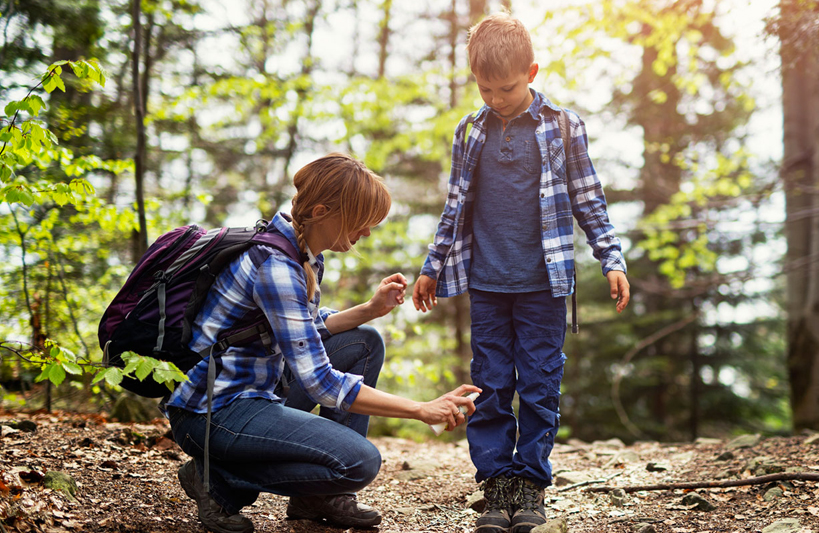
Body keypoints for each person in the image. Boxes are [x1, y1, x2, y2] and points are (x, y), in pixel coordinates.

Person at [165, 153, 480, 533]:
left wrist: (369, 309)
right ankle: (217, 482)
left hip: (257, 391)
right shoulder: (276, 265)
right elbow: (321, 382)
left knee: (364, 343)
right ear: (322, 211)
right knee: (358, 463)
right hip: (213, 411)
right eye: (362, 222)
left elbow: (308, 328)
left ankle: (317, 498)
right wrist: (421, 409)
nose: (367, 232)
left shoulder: (301, 253)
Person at [412, 12, 631, 533]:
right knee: (489, 384)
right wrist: (431, 267)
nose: (495, 97)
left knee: (538, 383)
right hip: (486, 285)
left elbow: (588, 198)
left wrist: (611, 258)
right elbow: (455, 206)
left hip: (544, 286)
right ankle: (496, 483)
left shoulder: (561, 126)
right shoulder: (470, 131)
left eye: (506, 87)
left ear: (531, 72)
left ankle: (530, 482)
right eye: (484, 88)